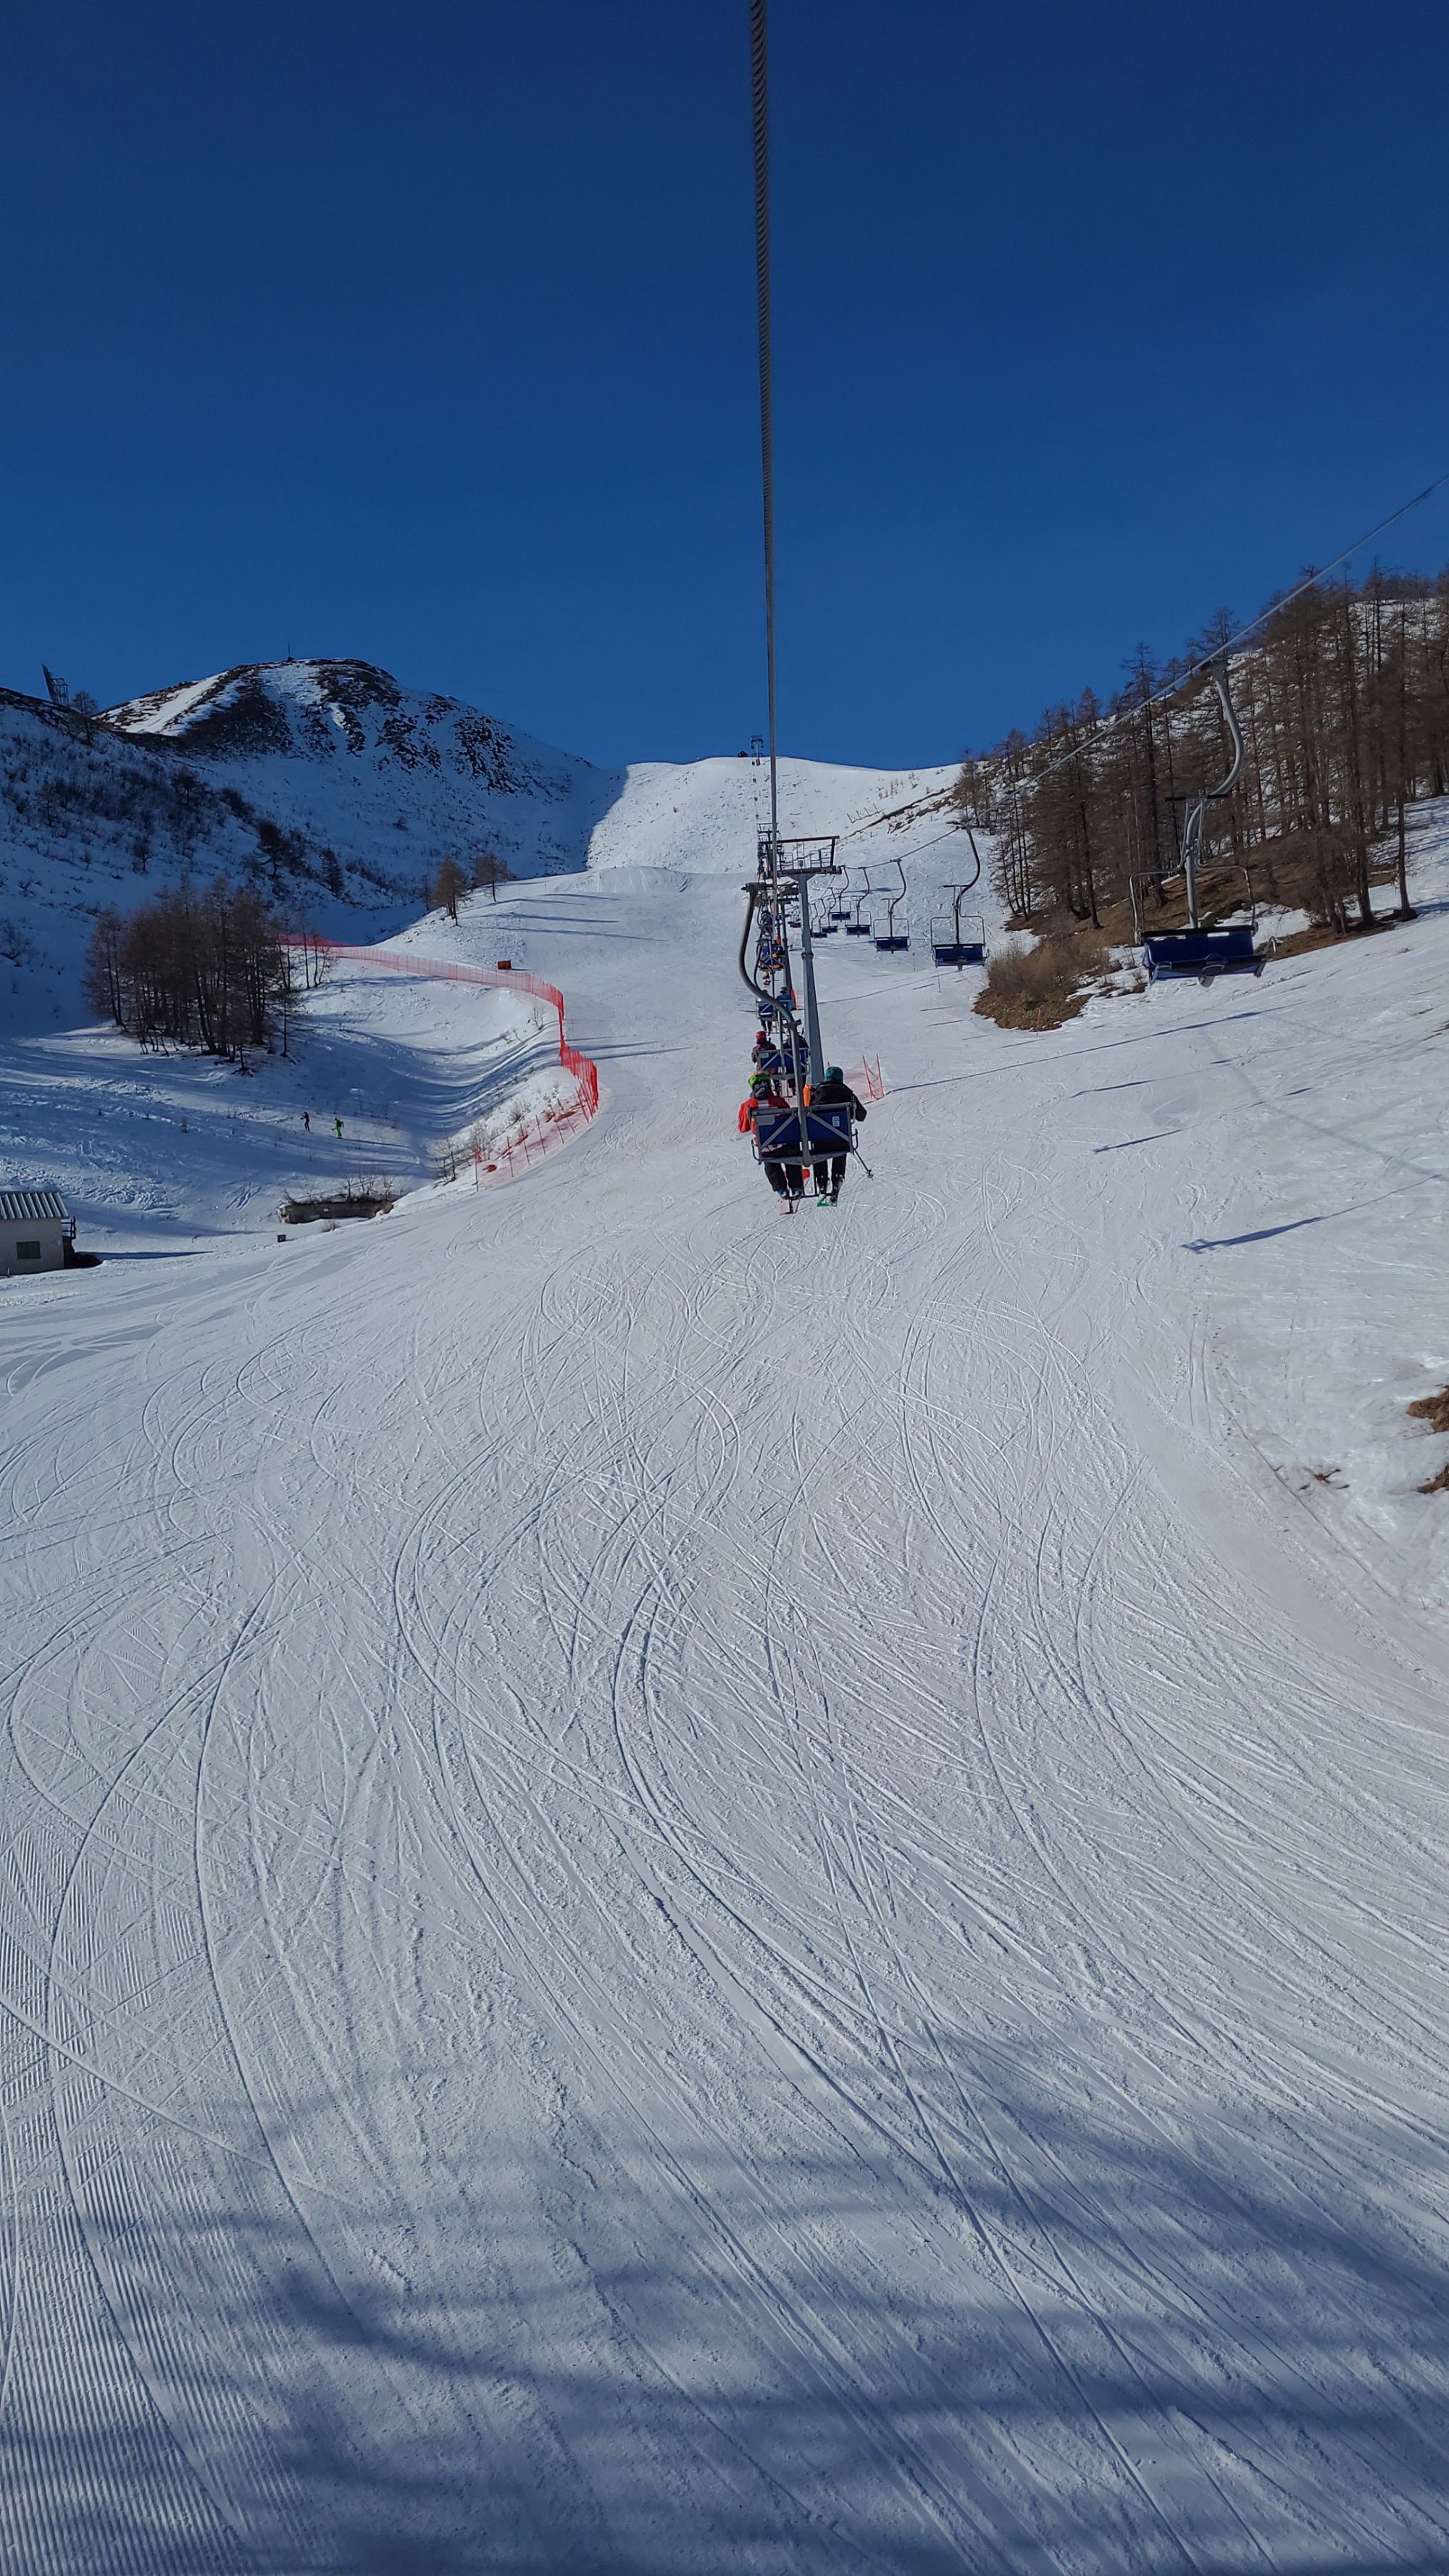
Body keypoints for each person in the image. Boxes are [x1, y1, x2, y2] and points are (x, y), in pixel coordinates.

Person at [806, 1064, 866, 1204]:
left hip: (819, 1141)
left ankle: (821, 1181)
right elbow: (861, 1116)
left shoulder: (815, 1094)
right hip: (840, 1139)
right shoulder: (847, 1094)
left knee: (819, 1148)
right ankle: (837, 1178)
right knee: (841, 1148)